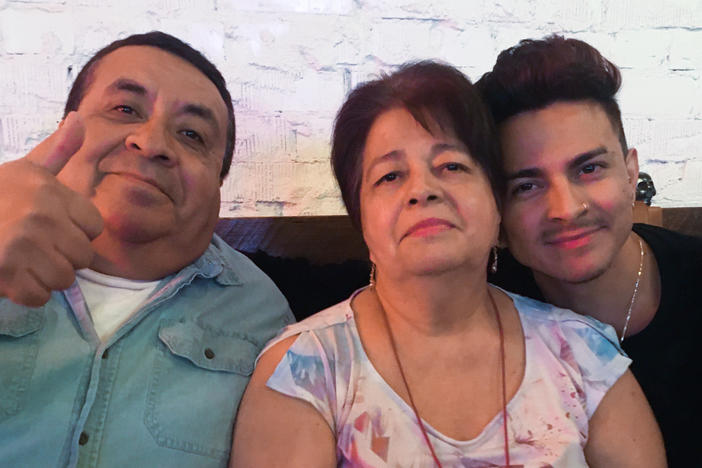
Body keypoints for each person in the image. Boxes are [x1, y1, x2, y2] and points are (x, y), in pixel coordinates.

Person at [231, 61, 665, 467]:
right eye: (390, 176)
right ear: (361, 218)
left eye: (452, 165)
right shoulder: (306, 370)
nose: (422, 190)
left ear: (497, 204)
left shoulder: (583, 354)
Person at [0, 31, 293, 467]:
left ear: (219, 183)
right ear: (66, 128)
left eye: (192, 134)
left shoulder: (266, 319)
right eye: (124, 109)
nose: (153, 143)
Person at [477, 35, 702, 466]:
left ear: (631, 171)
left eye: (589, 168)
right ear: (496, 211)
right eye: (527, 185)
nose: (566, 209)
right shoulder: (480, 306)